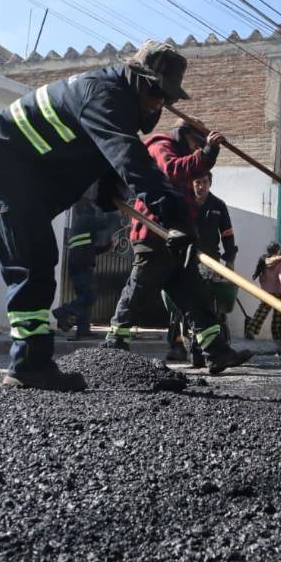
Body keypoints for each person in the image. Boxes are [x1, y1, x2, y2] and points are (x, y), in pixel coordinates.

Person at [0, 40, 249, 391]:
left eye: (167, 98)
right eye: (157, 94)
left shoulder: (111, 99)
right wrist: (175, 219)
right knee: (35, 261)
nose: (159, 105)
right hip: (9, 169)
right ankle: (30, 364)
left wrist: (108, 188)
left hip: (1, 163)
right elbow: (133, 162)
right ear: (138, 80)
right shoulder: (106, 95)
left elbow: (102, 154)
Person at [103, 120, 253, 374]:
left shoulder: (184, 157)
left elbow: (187, 192)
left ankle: (216, 351)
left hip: (178, 240)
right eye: (196, 144)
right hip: (154, 235)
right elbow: (172, 170)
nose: (196, 150)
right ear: (184, 136)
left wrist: (190, 235)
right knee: (139, 289)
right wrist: (207, 153)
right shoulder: (161, 146)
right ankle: (115, 342)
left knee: (194, 296)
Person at [171, 171, 239, 364]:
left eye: (204, 182)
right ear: (192, 184)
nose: (201, 186)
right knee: (181, 304)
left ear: (210, 183)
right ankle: (178, 345)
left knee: (209, 304)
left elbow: (227, 235)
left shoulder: (218, 206)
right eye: (197, 182)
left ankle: (211, 345)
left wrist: (229, 263)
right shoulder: (184, 203)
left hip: (210, 262)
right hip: (186, 258)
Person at [51, 197, 110, 340]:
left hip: (77, 265)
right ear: (86, 207)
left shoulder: (79, 223)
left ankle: (83, 330)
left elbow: (88, 249)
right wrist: (112, 210)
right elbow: (105, 223)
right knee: (89, 297)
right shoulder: (86, 219)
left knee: (85, 298)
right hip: (82, 266)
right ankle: (63, 311)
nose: (94, 208)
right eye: (92, 205)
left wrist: (107, 247)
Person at [244, 242, 281, 342]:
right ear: (278, 251)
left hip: (266, 291)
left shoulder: (263, 259)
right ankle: (277, 336)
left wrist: (264, 285)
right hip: (278, 291)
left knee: (262, 311)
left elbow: (261, 276)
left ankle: (251, 330)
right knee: (279, 314)